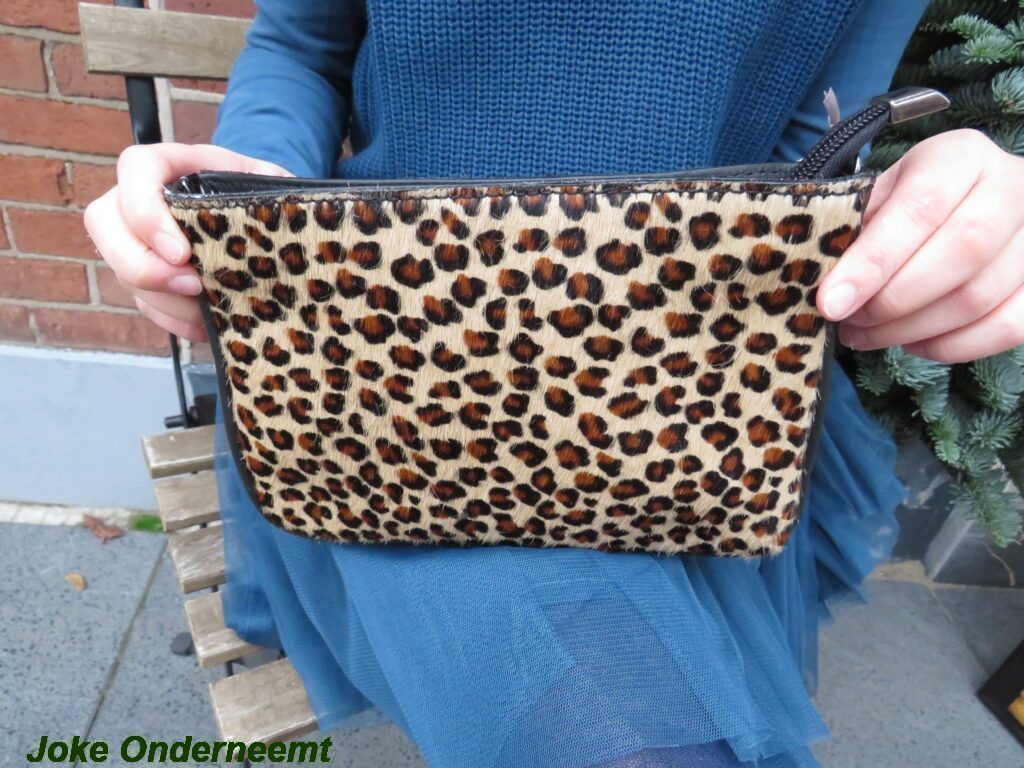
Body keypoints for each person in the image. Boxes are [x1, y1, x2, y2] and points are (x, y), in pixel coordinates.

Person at [85, 1, 1024, 765]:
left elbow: (809, 141)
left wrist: (927, 209)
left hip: (682, 383)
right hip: (380, 374)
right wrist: (254, 195)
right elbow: (302, 49)